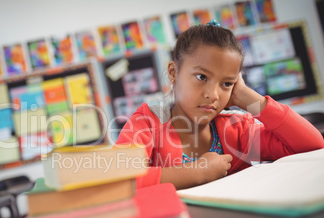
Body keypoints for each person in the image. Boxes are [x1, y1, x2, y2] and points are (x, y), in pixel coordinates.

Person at [114, 20, 324, 190]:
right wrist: (198, 171)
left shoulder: (238, 129)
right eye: (201, 76)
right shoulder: (148, 122)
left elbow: (312, 145)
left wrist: (247, 98)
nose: (213, 95)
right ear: (173, 73)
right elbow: (118, 180)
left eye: (226, 83)